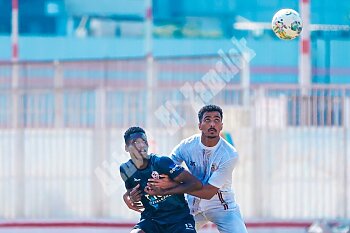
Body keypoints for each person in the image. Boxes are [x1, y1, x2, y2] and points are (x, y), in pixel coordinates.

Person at [126, 105, 248, 233]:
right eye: (207, 120)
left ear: (221, 126)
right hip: (192, 206)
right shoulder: (186, 146)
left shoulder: (229, 154)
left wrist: (172, 185)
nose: (212, 124)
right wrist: (128, 195)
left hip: (222, 207)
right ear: (200, 125)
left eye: (216, 120)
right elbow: (162, 172)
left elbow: (208, 192)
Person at [119, 126, 202, 233]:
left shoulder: (161, 162)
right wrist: (131, 197)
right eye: (135, 142)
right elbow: (132, 191)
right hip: (152, 220)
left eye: (143, 141)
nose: (141, 145)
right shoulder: (126, 169)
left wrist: (165, 191)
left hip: (178, 218)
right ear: (126, 147)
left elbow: (196, 184)